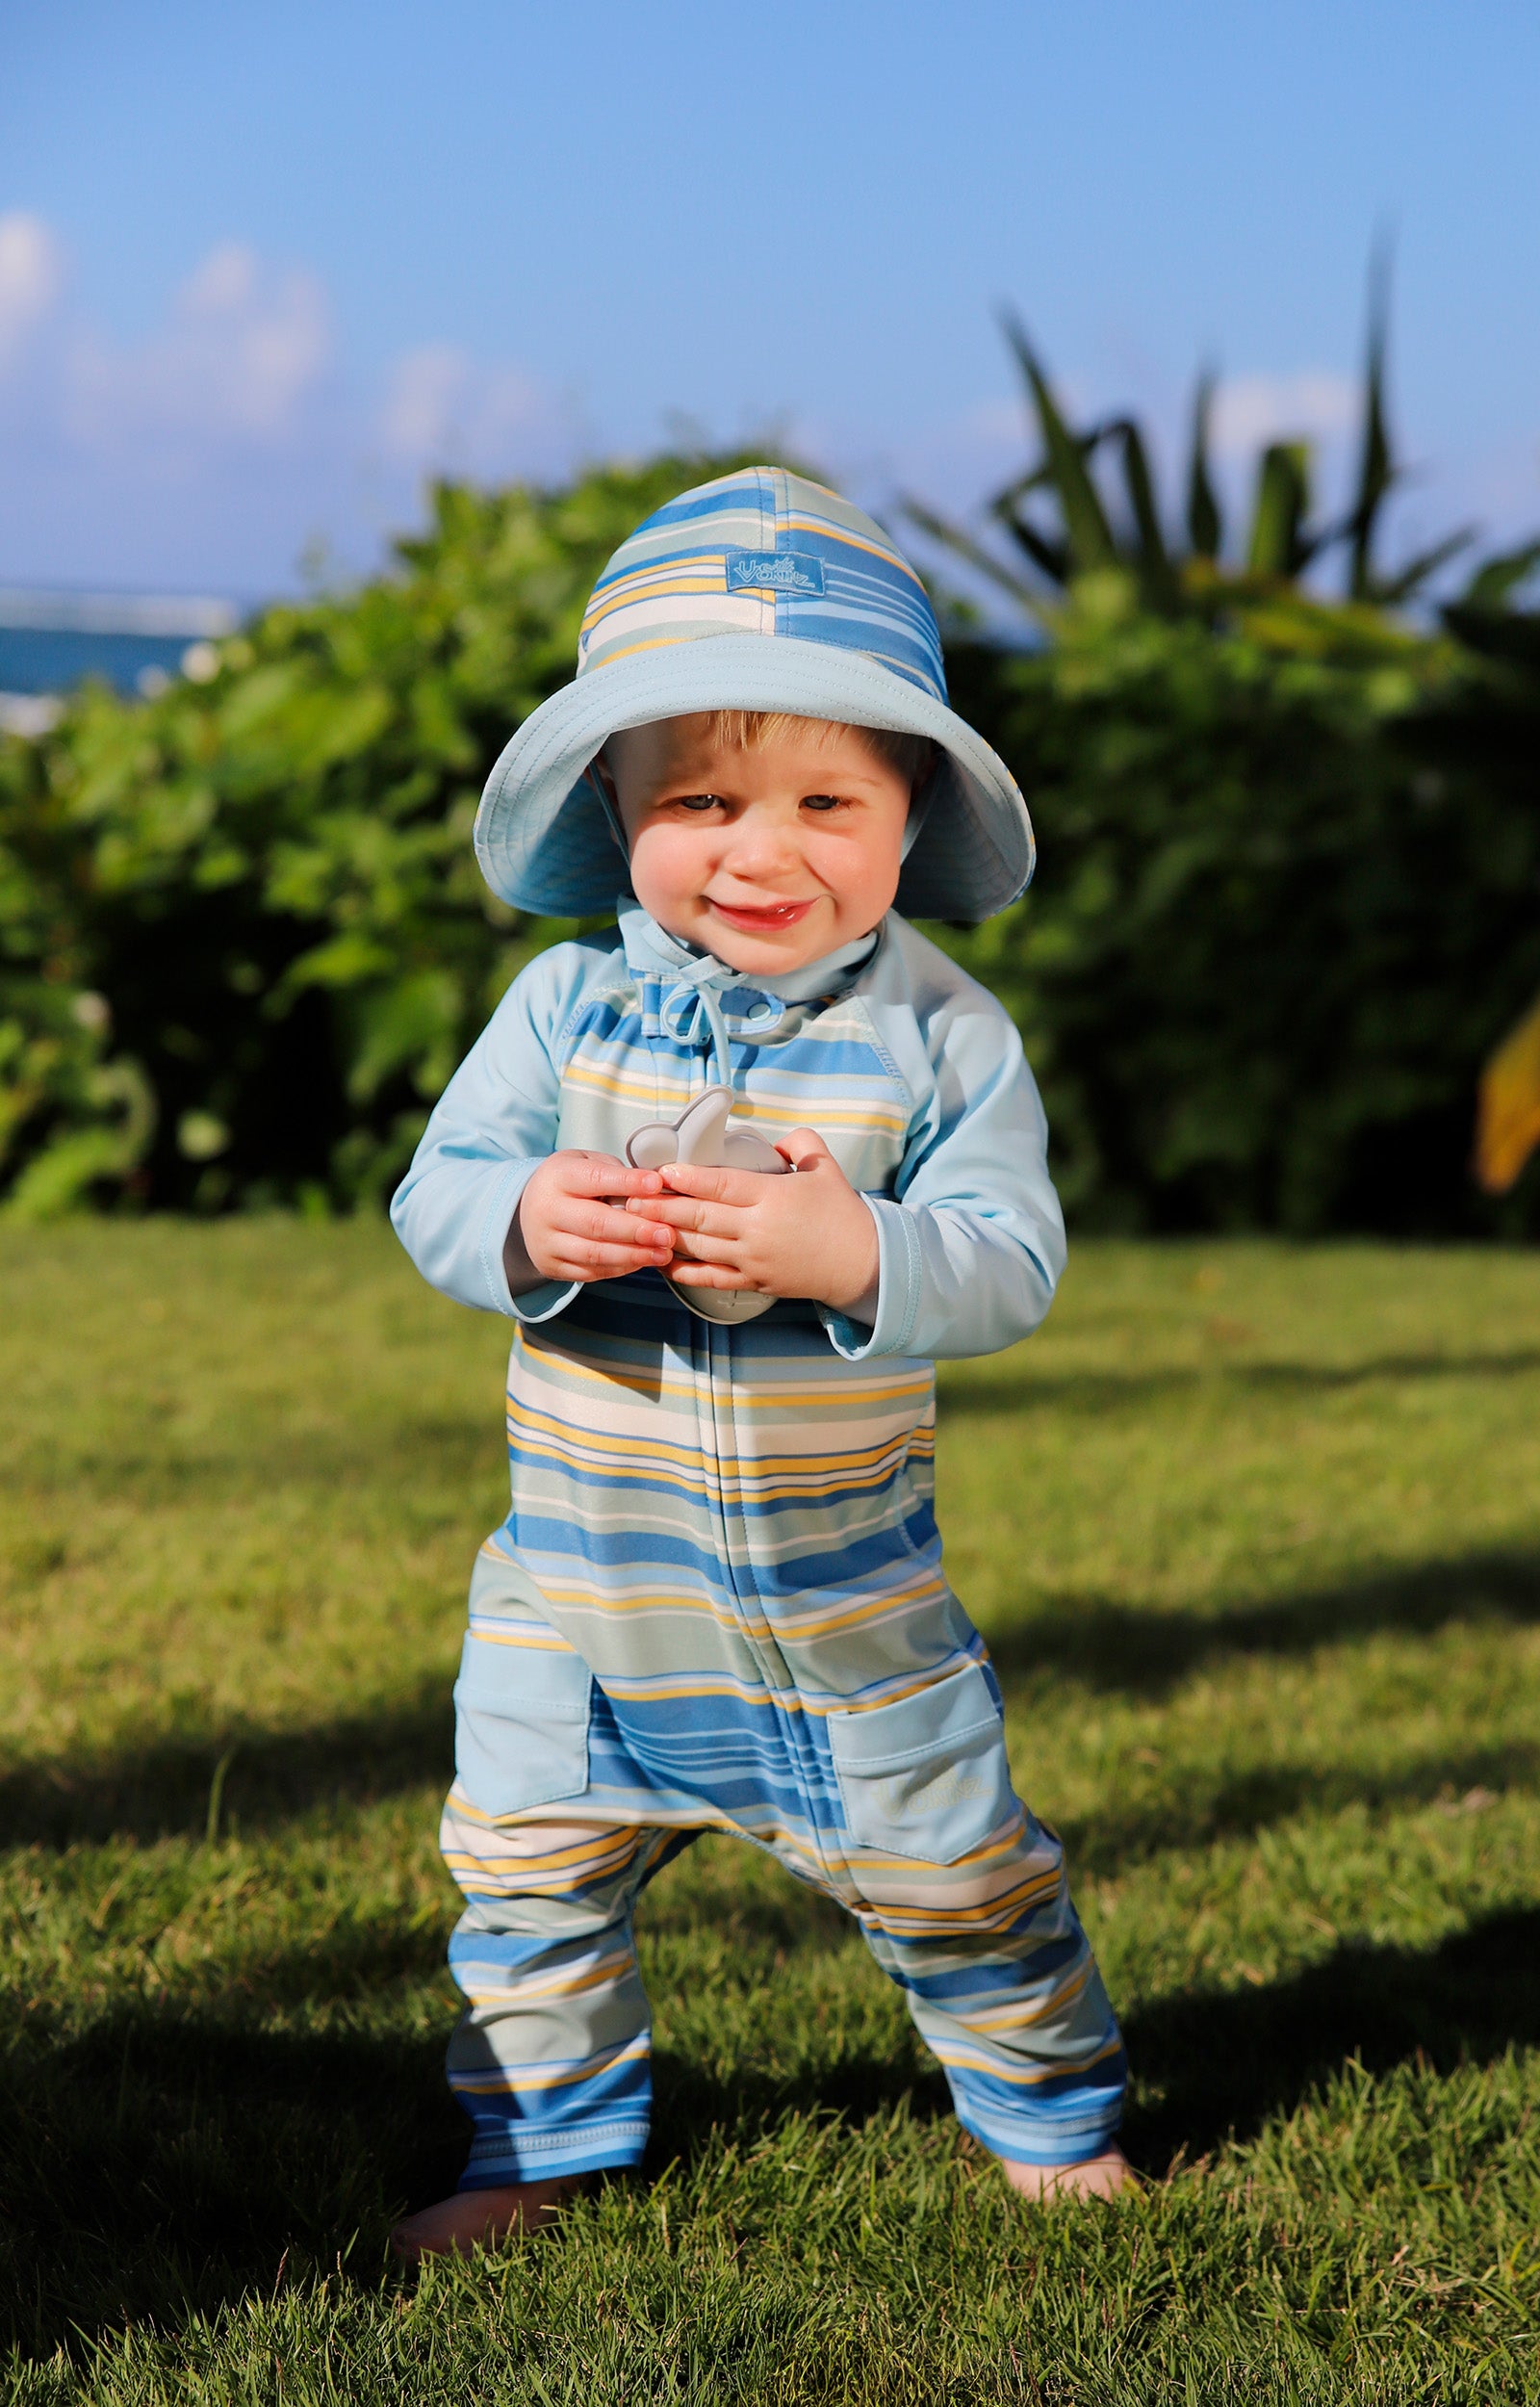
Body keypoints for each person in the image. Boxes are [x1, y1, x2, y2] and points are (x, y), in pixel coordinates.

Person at [388, 467, 1131, 2260]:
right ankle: (541, 2152)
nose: (760, 848)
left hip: (842, 1603)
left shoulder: (940, 1035)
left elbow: (1012, 1258)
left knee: (958, 1876)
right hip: (580, 1598)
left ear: (910, 813)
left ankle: (1047, 2116)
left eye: (824, 798)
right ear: (619, 810)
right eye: (701, 797)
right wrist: (527, 1222)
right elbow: (437, 1190)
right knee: (522, 1882)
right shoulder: (563, 1010)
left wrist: (851, 1247)